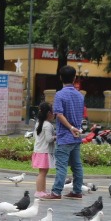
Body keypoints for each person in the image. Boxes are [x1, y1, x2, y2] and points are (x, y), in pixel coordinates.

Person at [45, 65, 84, 200]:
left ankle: (56, 192)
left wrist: (70, 127)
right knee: (77, 166)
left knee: (61, 166)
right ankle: (77, 191)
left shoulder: (60, 95)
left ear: (60, 77)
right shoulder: (80, 95)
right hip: (77, 137)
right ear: (74, 78)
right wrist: (75, 128)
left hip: (65, 136)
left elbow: (59, 114)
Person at [31, 102, 56, 198]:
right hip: (44, 152)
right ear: (49, 113)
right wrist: (56, 137)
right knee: (42, 173)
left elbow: (35, 136)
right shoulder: (48, 125)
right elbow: (49, 139)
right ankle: (39, 191)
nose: (53, 115)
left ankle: (42, 190)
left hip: (39, 151)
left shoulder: (38, 123)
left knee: (43, 173)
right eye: (52, 112)